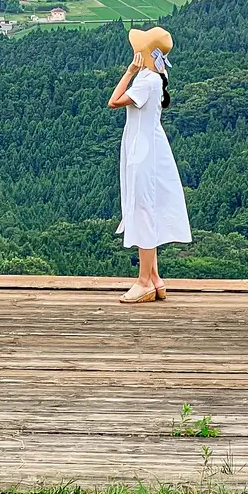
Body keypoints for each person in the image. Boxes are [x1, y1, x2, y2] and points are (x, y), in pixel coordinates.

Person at [107, 24, 191, 303]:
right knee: (148, 207)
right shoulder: (158, 75)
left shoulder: (145, 80)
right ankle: (154, 277)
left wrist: (129, 71)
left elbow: (114, 101)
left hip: (142, 150)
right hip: (149, 145)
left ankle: (144, 281)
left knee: (143, 209)